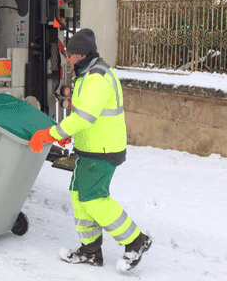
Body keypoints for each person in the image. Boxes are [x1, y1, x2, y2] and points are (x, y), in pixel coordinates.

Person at [29, 28, 151, 271]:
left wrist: (50, 134)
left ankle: (136, 240)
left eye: (71, 54)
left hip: (103, 151)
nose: (67, 58)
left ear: (82, 55)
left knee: (94, 198)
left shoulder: (97, 77)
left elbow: (84, 118)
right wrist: (68, 136)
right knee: (79, 197)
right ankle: (91, 251)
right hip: (90, 149)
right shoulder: (86, 74)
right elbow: (83, 116)